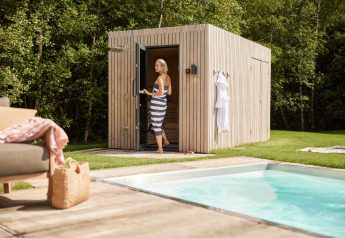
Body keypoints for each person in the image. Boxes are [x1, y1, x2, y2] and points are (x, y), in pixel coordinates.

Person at [143, 59, 172, 153]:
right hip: (163, 104)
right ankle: (165, 141)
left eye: (157, 65)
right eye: (155, 65)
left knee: (156, 126)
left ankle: (160, 149)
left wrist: (149, 93)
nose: (155, 67)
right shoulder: (168, 77)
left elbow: (160, 92)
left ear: (163, 67)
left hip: (157, 105)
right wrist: (161, 94)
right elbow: (169, 92)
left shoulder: (160, 78)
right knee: (158, 124)